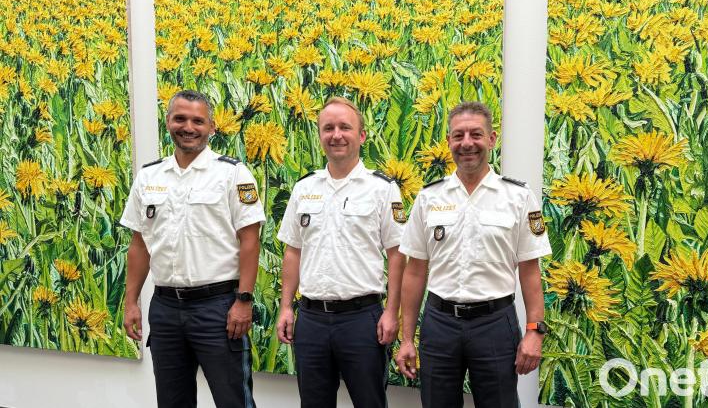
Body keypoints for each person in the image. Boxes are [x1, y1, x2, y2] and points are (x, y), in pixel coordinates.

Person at [394, 101, 550, 407]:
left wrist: (535, 332)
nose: (467, 143)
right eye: (458, 135)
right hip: (440, 323)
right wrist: (406, 338)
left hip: (494, 324)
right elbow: (414, 272)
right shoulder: (429, 197)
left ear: (491, 140)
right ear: (449, 141)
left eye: (476, 135)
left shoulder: (517, 196)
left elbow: (530, 271)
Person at [120, 89, 265, 408]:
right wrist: (131, 302)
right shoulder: (148, 176)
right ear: (168, 122)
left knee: (234, 401)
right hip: (166, 308)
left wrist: (244, 300)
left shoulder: (233, 173)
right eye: (180, 118)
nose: (188, 127)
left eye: (198, 121)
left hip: (217, 308)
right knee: (172, 402)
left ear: (212, 127)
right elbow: (139, 245)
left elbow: (250, 240)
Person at [276, 97, 406, 408]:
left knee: (370, 402)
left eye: (345, 127)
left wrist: (392, 311)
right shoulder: (304, 188)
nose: (337, 135)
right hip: (311, 319)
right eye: (328, 128)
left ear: (361, 135)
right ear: (320, 135)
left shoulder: (383, 189)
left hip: (362, 320)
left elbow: (398, 255)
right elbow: (293, 251)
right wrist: (285, 307)